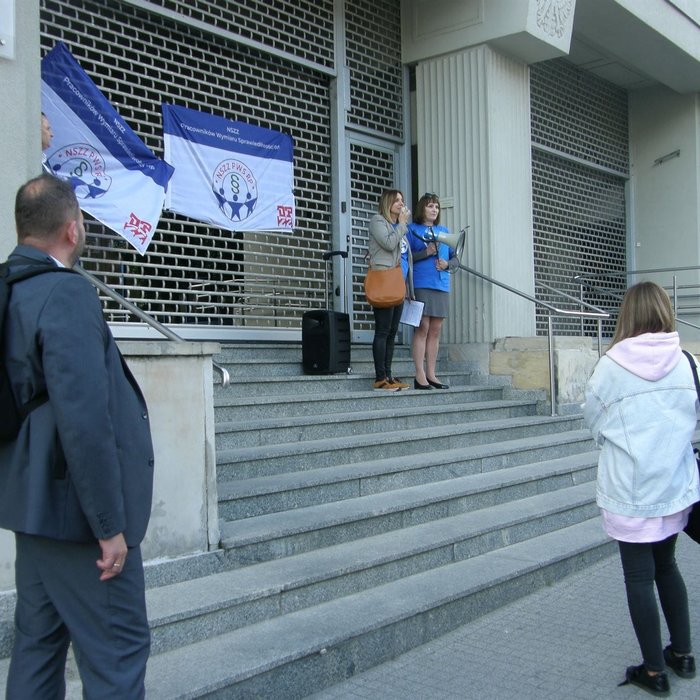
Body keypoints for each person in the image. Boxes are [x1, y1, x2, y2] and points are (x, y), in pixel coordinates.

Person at [0, 175, 155, 698]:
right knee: (118, 653)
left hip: (31, 508)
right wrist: (109, 526)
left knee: (37, 653)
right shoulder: (65, 293)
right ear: (72, 229)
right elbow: (85, 420)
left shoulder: (8, 289)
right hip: (77, 521)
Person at [583, 281, 699, 696]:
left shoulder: (610, 365)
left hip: (630, 490)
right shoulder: (686, 360)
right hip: (674, 484)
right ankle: (682, 654)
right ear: (665, 311)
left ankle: (653, 671)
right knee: (667, 566)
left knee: (638, 575)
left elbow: (593, 422)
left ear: (627, 315)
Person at [407, 192, 457, 390]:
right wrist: (425, 253)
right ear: (422, 209)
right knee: (423, 328)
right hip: (421, 282)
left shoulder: (444, 231)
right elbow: (406, 256)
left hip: (441, 284)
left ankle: (432, 374)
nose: (434, 210)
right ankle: (419, 375)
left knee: (435, 331)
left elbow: (456, 259)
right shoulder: (412, 229)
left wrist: (447, 264)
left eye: (436, 207)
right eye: (430, 206)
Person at [367, 189, 413, 391]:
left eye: (402, 200)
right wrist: (402, 224)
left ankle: (389, 374)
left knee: (393, 332)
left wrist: (409, 287)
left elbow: (405, 257)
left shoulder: (400, 227)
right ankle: (380, 377)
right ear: (387, 203)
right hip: (384, 281)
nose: (401, 204)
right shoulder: (378, 221)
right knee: (383, 330)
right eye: (396, 201)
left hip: (398, 283)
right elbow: (388, 243)